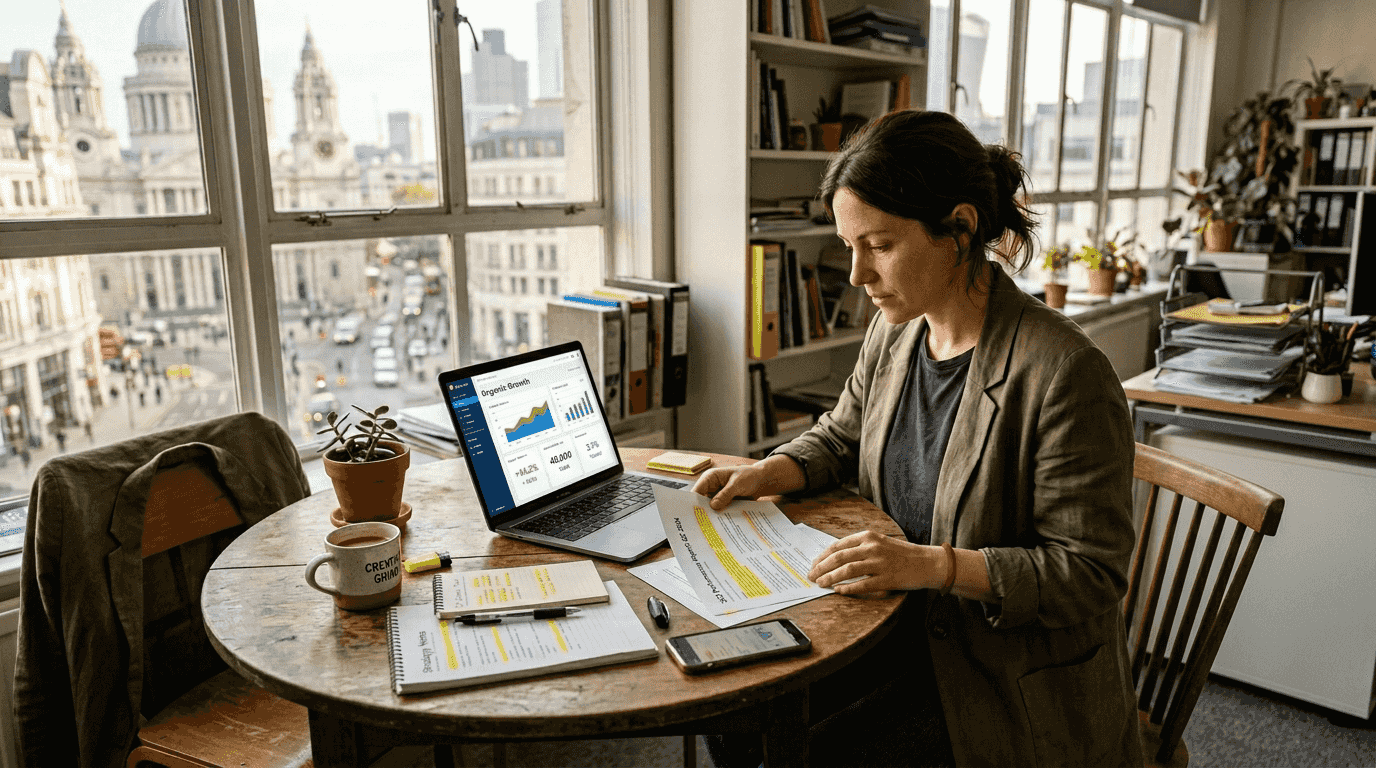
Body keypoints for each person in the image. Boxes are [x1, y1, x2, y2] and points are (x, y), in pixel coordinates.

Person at [695, 110, 1141, 767]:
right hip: (892, 629)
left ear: (959, 229)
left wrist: (931, 565)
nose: (856, 275)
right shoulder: (898, 327)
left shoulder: (1064, 373)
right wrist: (773, 470)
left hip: (993, 672)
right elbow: (843, 432)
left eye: (877, 245)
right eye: (849, 246)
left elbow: (1091, 573)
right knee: (731, 703)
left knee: (796, 749)